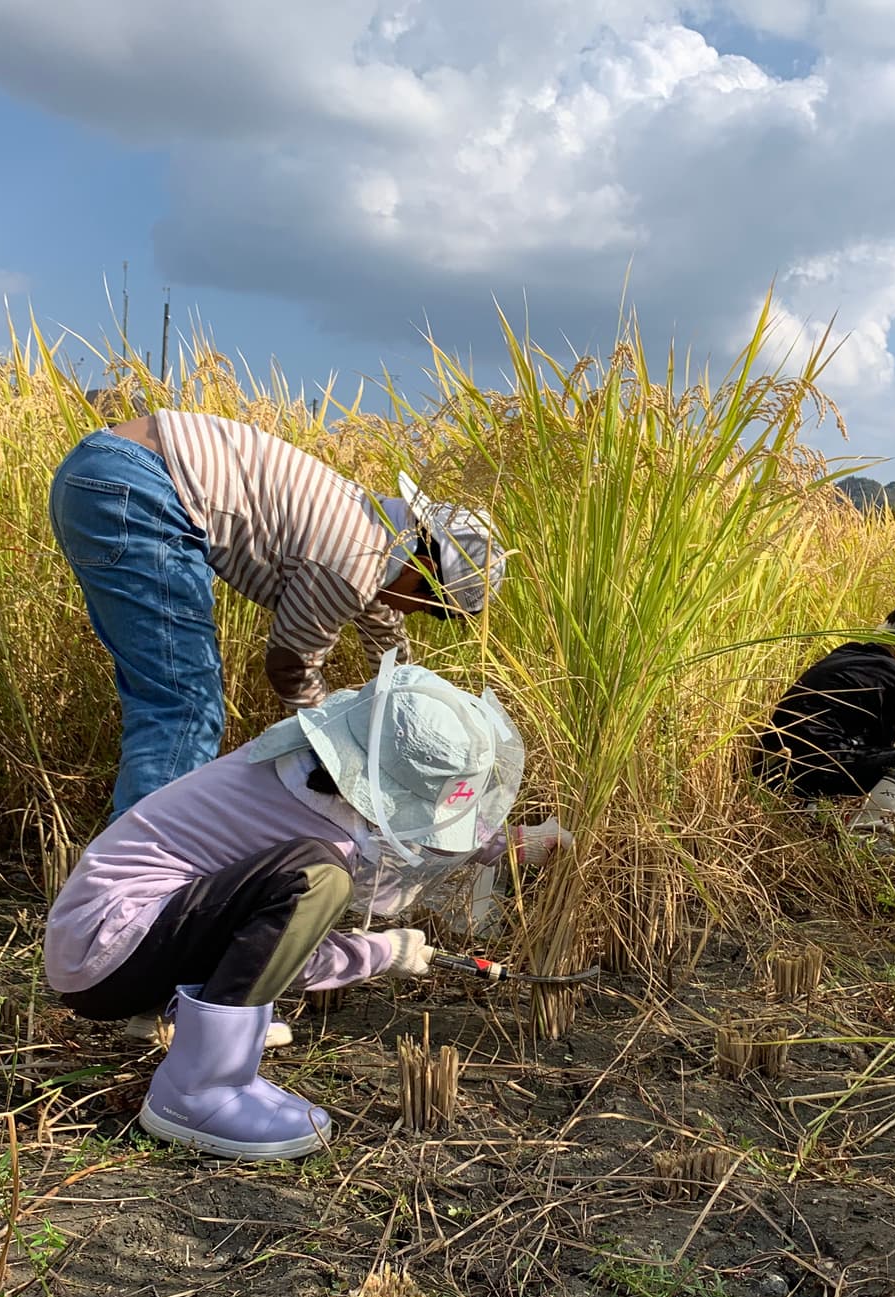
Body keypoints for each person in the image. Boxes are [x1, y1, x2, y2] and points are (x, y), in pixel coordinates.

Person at [44, 655, 572, 1160]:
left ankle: (195, 1045)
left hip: (111, 941)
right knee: (316, 880)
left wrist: (509, 843)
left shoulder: (299, 770)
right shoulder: (322, 839)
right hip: (109, 953)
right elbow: (284, 950)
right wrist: (380, 954)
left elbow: (416, 823)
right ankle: (199, 1091)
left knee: (314, 877)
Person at [48, 410, 508, 820]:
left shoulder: (379, 529)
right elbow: (289, 666)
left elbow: (390, 653)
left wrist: (415, 727)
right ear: (425, 566)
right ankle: (142, 889)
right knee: (186, 705)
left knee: (163, 693)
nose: (411, 611)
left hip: (105, 471)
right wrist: (336, 754)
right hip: (143, 490)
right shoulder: (351, 565)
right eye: (428, 605)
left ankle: (131, 871)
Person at [752, 603, 895, 845]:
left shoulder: (847, 653)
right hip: (814, 769)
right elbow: (880, 750)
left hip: (771, 766)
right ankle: (869, 841)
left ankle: (811, 814)